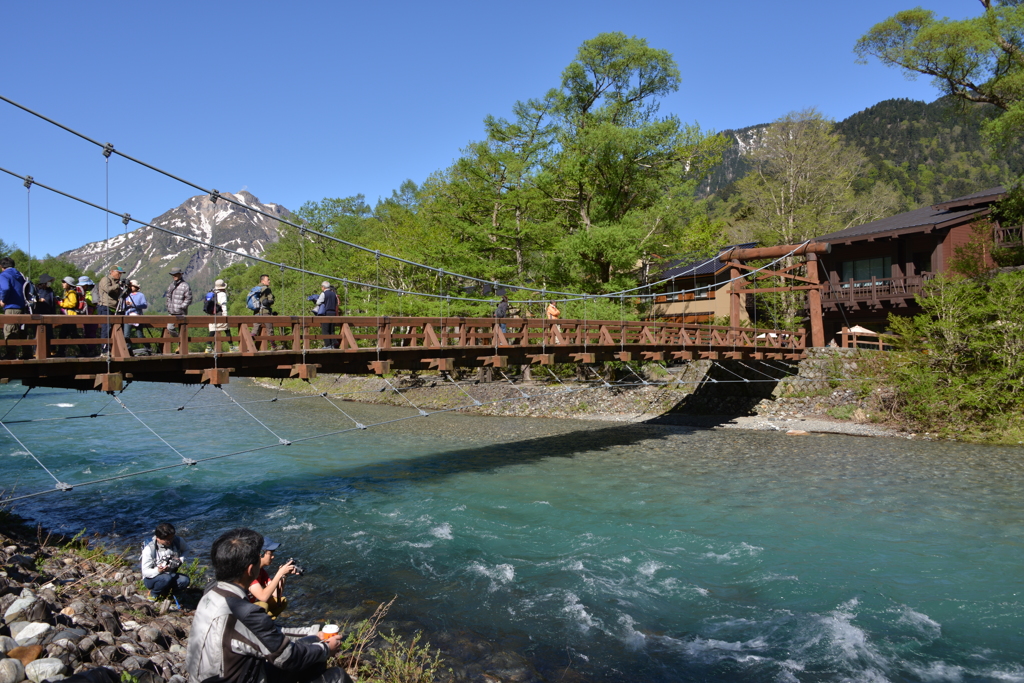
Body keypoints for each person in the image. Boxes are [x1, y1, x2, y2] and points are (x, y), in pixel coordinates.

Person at [186, 528, 348, 683]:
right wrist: (326, 649)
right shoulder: (243, 612)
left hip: (207, 678)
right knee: (338, 676)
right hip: (238, 679)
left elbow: (267, 632)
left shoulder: (211, 593)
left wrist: (313, 633)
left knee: (313, 642)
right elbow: (287, 657)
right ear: (250, 570)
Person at [248, 537, 297, 619]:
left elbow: (276, 594)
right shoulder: (248, 571)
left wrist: (284, 575)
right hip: (238, 612)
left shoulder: (261, 571)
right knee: (263, 605)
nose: (273, 556)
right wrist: (280, 573)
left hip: (247, 608)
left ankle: (267, 623)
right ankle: (257, 625)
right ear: (260, 554)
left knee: (281, 601)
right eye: (270, 553)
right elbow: (263, 597)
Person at [140, 522, 190, 602]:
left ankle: (172, 594)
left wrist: (180, 559)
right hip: (152, 579)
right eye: (167, 540)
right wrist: (158, 570)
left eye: (171, 538)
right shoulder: (149, 549)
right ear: (158, 538)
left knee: (185, 580)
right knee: (165, 578)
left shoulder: (178, 541)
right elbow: (145, 572)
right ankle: (154, 594)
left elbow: (186, 550)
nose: (170, 541)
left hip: (170, 574)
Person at [0, 257, 28, 360]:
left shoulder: (4, 275)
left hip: (11, 307)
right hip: (22, 307)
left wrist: (3, 300)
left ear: (2, 266)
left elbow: (5, 288)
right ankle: (27, 353)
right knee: (22, 331)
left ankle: (11, 354)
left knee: (10, 331)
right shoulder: (20, 275)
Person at [96, 265, 126, 355]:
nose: (120, 275)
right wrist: (118, 285)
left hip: (114, 308)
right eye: (118, 273)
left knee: (114, 329)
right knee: (106, 328)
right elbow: (108, 289)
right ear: (112, 272)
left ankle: (113, 349)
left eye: (121, 273)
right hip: (105, 306)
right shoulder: (106, 279)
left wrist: (126, 289)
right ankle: (104, 350)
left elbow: (122, 296)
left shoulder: (117, 283)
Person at [164, 266, 193, 347]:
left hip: (181, 312)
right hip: (171, 312)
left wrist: (182, 307)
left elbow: (189, 298)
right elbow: (168, 297)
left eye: (176, 274)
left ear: (180, 274)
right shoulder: (171, 285)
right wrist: (169, 305)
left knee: (182, 330)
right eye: (173, 275)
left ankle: (181, 346)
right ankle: (180, 342)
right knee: (170, 328)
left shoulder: (185, 286)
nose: (174, 276)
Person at [250, 274, 279, 351]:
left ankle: (249, 345)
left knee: (255, 329)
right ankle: (273, 346)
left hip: (256, 312)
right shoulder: (267, 289)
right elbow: (270, 300)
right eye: (268, 280)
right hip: (265, 311)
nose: (269, 281)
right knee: (270, 329)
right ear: (263, 281)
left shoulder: (255, 289)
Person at [123, 279, 149, 353]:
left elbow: (144, 305)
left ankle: (147, 347)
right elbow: (123, 307)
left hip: (137, 316)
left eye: (132, 286)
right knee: (126, 335)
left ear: (136, 287)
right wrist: (125, 304)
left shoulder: (141, 295)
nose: (130, 287)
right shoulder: (127, 295)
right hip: (128, 316)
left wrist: (132, 304)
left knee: (139, 335)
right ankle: (128, 350)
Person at [56, 276, 79, 358]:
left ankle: (85, 351)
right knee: (64, 334)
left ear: (69, 284)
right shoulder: (68, 293)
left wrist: (61, 303)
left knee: (72, 335)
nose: (62, 284)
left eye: (64, 282)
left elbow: (72, 304)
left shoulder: (71, 293)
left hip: (70, 316)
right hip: (68, 316)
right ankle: (61, 352)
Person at [35, 275, 57, 356]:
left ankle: (52, 350)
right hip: (39, 315)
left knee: (49, 333)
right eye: (49, 281)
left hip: (49, 315)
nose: (49, 283)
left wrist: (54, 314)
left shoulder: (50, 290)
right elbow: (33, 300)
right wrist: (39, 300)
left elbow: (52, 304)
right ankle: (36, 351)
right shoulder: (37, 290)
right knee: (37, 334)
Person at [312, 281, 339, 349]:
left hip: (326, 313)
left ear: (323, 287)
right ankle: (333, 345)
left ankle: (328, 345)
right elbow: (336, 303)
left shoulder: (323, 294)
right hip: (333, 313)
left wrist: (315, 299)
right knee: (331, 330)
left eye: (322, 286)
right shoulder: (334, 294)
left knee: (325, 330)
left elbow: (318, 302)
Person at [77, 276, 99, 357]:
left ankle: (91, 350)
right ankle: (86, 351)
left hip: (93, 316)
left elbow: (95, 302)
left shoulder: (94, 291)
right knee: (86, 333)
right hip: (85, 315)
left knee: (91, 333)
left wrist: (86, 301)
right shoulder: (82, 292)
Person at [206, 279, 229, 353]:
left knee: (212, 330)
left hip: (212, 314)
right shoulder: (222, 294)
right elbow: (223, 305)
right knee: (226, 329)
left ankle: (208, 347)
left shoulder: (212, 292)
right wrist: (225, 315)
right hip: (220, 314)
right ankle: (231, 347)